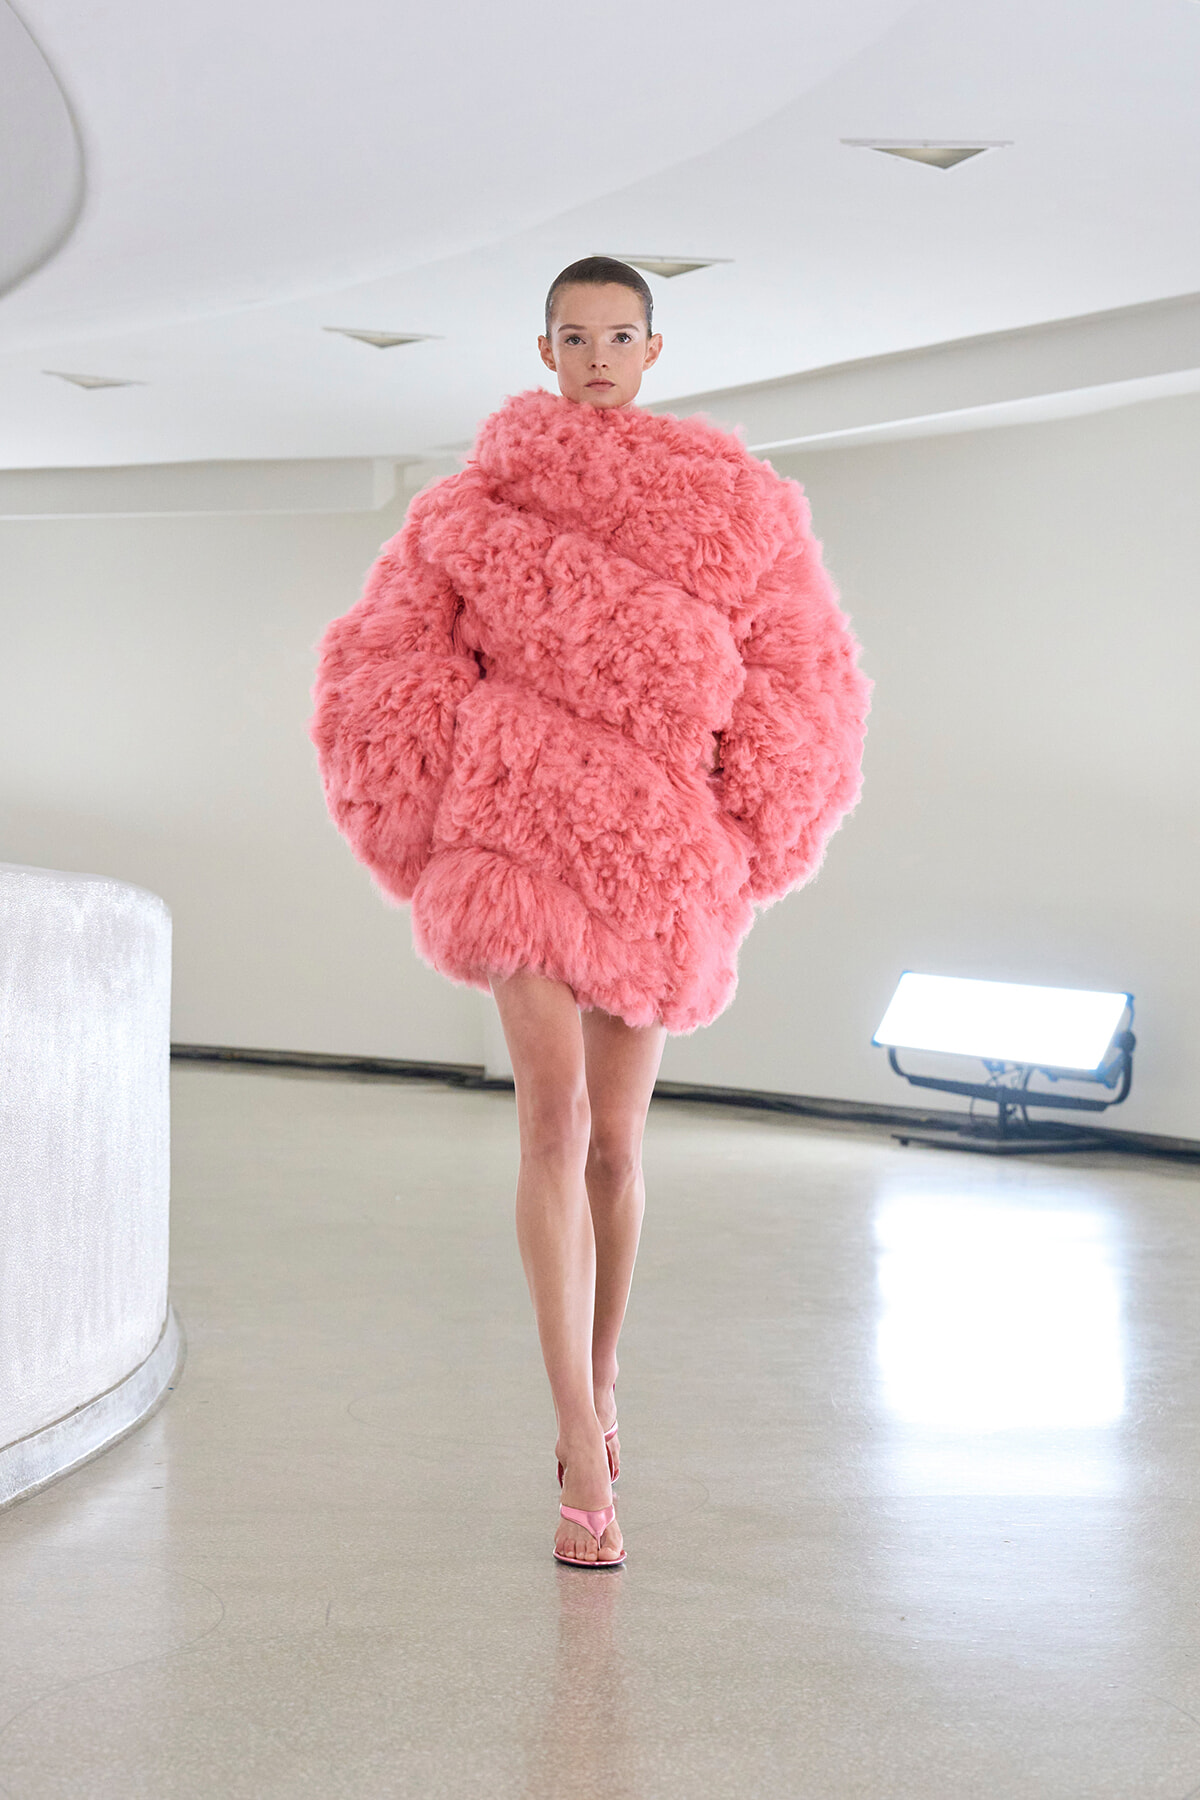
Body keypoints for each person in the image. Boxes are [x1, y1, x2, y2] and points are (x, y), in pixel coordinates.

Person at [310, 255, 870, 1567]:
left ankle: (604, 1382)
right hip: (516, 831)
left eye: (621, 335)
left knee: (619, 1147)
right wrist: (454, 791)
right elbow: (392, 663)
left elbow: (803, 680)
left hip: (658, 851)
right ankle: (575, 1441)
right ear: (546, 348)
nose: (598, 356)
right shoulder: (473, 505)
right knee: (552, 1127)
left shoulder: (738, 509)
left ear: (654, 349)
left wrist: (738, 827)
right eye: (576, 336)